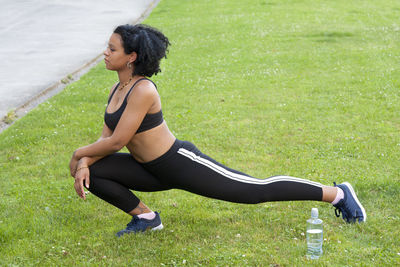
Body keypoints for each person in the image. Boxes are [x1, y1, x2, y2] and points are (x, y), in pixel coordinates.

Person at [69, 24, 366, 237]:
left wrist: (78, 154)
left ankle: (337, 194)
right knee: (94, 172)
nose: (105, 53)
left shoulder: (143, 89)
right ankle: (146, 218)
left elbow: (119, 141)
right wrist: (83, 163)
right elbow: (107, 139)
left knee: (254, 190)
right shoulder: (116, 89)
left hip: (178, 162)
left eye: (112, 48)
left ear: (131, 56)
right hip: (147, 169)